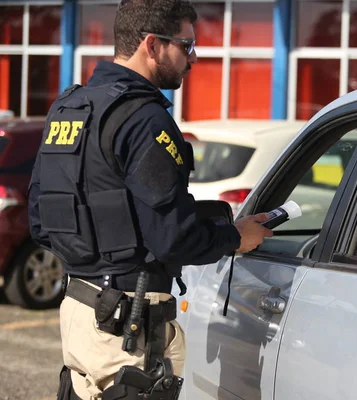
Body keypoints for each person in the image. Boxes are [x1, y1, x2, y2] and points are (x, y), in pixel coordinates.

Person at [27, 1, 273, 399]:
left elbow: (40, 221)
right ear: (152, 45)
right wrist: (234, 237)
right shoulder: (144, 119)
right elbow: (173, 238)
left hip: (79, 312)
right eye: (186, 45)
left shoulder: (69, 108)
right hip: (128, 324)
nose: (193, 58)